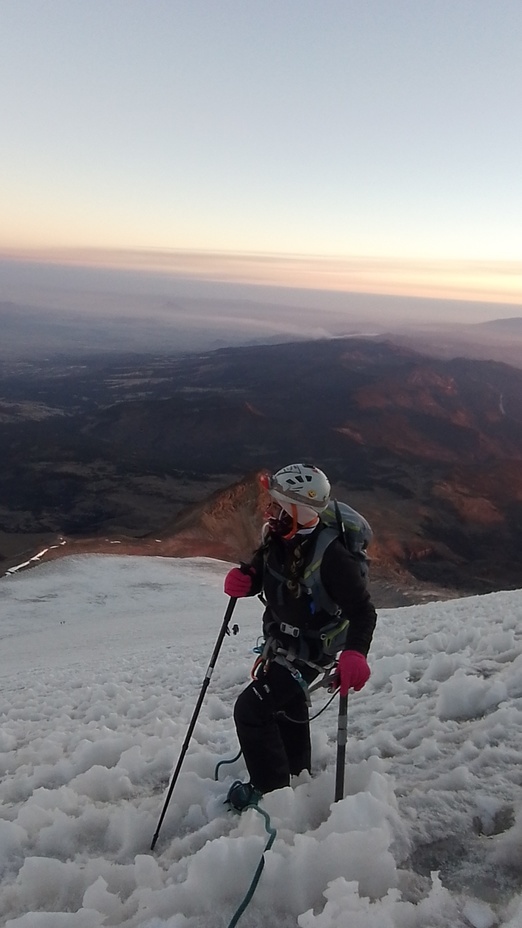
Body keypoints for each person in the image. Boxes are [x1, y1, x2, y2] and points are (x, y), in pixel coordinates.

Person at [223, 462, 377, 811]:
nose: (270, 510)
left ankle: (271, 792)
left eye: (278, 505)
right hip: (283, 644)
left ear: (300, 510)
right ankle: (296, 771)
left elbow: (363, 610)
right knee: (282, 708)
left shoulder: (334, 557)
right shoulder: (278, 536)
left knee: (250, 710)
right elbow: (268, 573)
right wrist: (248, 579)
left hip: (310, 652)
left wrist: (356, 653)